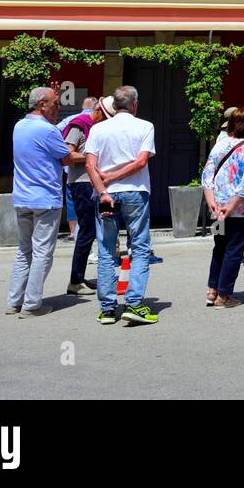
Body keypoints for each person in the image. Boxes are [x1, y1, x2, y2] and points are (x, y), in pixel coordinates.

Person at [83, 85, 159, 326]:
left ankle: (107, 309)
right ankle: (134, 303)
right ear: (134, 104)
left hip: (106, 195)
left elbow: (89, 165)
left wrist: (103, 189)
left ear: (114, 105)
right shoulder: (145, 126)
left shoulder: (98, 129)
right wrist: (114, 177)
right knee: (139, 247)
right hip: (136, 192)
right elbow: (140, 162)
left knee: (106, 250)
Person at [6, 87, 71, 318]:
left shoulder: (19, 126)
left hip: (22, 197)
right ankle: (32, 305)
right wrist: (92, 155)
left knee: (24, 251)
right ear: (42, 104)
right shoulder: (48, 130)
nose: (59, 107)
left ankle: (14, 301)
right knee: (42, 252)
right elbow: (67, 157)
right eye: (55, 103)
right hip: (45, 198)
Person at [201, 108, 244, 308]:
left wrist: (211, 202)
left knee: (219, 247)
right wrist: (231, 206)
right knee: (234, 249)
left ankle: (212, 289)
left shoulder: (220, 144)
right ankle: (224, 296)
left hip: (216, 207)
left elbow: (207, 174)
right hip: (239, 210)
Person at [63, 98, 107, 295]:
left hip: (94, 183)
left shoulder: (98, 128)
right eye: (104, 116)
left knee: (92, 231)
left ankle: (79, 277)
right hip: (80, 183)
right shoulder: (79, 125)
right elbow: (68, 155)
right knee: (87, 230)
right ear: (97, 111)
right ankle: (75, 280)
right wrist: (92, 155)